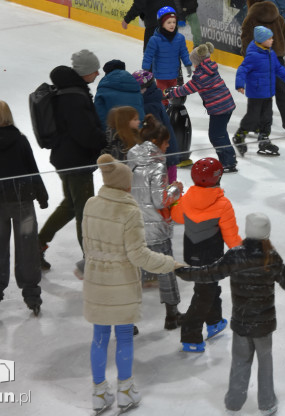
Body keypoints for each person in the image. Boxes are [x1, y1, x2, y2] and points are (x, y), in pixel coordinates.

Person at [176, 213, 285, 416]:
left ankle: (233, 403)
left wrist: (182, 270)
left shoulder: (236, 255)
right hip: (264, 325)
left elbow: (208, 273)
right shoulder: (271, 257)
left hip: (242, 322)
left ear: (247, 230)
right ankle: (267, 404)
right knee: (266, 363)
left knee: (240, 362)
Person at [82, 153, 179, 414]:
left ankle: (98, 393)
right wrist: (169, 263)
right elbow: (139, 255)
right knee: (124, 336)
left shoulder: (90, 204)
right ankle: (125, 391)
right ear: (125, 184)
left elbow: (86, 245)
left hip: (96, 280)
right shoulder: (129, 211)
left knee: (99, 336)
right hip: (121, 282)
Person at [0, 100, 49, 317]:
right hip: (22, 202)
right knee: (27, 250)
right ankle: (32, 296)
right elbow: (32, 169)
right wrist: (41, 195)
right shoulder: (20, 141)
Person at [38, 50, 106, 273]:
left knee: (70, 205)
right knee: (84, 211)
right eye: (94, 70)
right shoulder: (74, 97)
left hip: (65, 157)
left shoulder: (68, 90)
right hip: (76, 161)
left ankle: (37, 245)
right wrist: (103, 140)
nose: (97, 73)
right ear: (85, 72)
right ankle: (90, 260)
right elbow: (84, 133)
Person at [171, 157, 242, 353]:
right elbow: (231, 236)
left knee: (209, 287)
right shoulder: (223, 204)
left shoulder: (186, 199)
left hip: (192, 253)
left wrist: (177, 199)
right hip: (211, 257)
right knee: (204, 293)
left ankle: (215, 321)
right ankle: (190, 336)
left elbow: (176, 217)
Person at [127, 115, 184, 331]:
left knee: (132, 274)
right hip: (156, 229)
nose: (169, 146)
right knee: (166, 270)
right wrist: (176, 189)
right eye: (167, 142)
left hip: (134, 226)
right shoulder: (157, 167)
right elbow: (161, 200)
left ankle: (128, 320)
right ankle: (172, 314)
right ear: (158, 142)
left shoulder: (131, 161)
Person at [166, 42, 238, 172]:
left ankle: (228, 162)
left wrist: (171, 93)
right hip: (226, 105)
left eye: (193, 62)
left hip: (219, 108)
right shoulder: (210, 68)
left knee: (216, 135)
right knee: (220, 133)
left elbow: (187, 89)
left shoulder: (201, 76)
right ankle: (229, 159)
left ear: (197, 61)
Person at [241, 0, 285, 133]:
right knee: (282, 93)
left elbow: (246, 40)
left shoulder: (250, 19)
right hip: (277, 60)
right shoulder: (277, 17)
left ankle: (257, 125)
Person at [233, 26, 285, 157]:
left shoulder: (270, 53)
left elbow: (279, 69)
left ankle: (264, 140)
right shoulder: (253, 55)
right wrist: (240, 84)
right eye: (269, 38)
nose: (272, 40)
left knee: (267, 117)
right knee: (253, 117)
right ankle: (239, 136)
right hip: (256, 93)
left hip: (268, 92)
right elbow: (242, 70)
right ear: (261, 40)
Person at [132, 69, 181, 178]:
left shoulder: (149, 105)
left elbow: (155, 132)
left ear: (145, 88)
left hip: (164, 154)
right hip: (165, 152)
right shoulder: (153, 99)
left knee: (167, 187)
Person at [141, 6, 193, 95]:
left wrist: (188, 65)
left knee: (173, 96)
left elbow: (184, 53)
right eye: (168, 22)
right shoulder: (155, 40)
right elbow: (148, 55)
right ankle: (163, 108)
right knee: (162, 96)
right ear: (161, 23)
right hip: (160, 75)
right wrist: (145, 69)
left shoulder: (180, 38)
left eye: (174, 22)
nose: (172, 24)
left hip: (174, 74)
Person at [94, 59, 144, 131]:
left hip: (114, 134)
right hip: (136, 131)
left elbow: (99, 114)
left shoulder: (104, 88)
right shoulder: (134, 85)